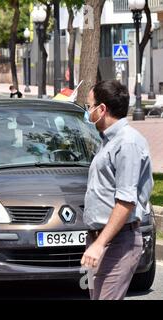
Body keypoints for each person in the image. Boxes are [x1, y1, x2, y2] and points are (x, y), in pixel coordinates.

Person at [81, 80, 153, 300]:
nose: (87, 112)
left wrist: (100, 244)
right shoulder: (108, 141)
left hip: (117, 242)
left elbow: (126, 201)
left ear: (102, 109)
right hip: (100, 240)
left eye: (89, 106)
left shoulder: (127, 143)